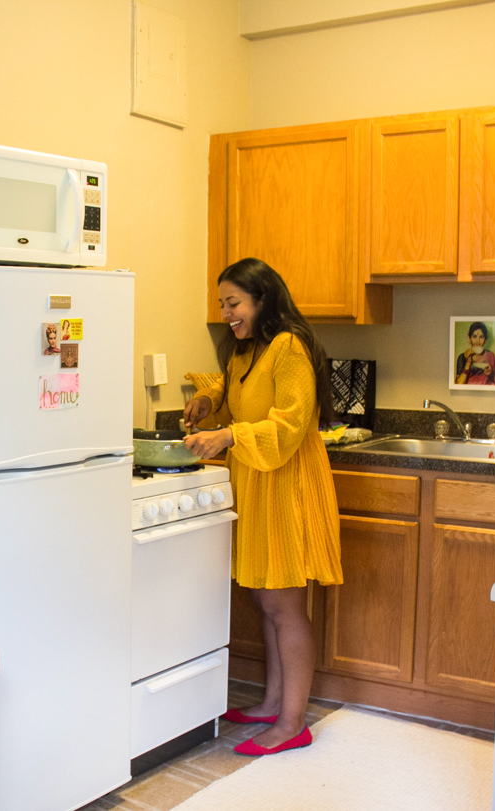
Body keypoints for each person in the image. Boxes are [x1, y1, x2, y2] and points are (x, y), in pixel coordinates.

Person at [182, 257, 342, 757]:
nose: (227, 313)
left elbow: (290, 425)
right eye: (223, 305)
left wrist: (227, 434)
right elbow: (239, 403)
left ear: (262, 299)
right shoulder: (245, 351)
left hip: (286, 485)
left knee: (284, 605)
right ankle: (274, 702)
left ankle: (293, 722)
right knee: (264, 599)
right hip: (256, 482)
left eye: (234, 303)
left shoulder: (289, 347)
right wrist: (211, 406)